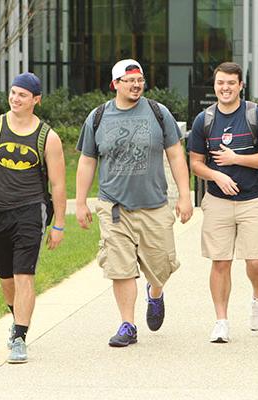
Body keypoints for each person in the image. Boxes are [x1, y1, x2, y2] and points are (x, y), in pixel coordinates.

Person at [74, 59, 193, 348]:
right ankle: (128, 324)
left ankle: (155, 292)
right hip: (114, 207)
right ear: (115, 84)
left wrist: (185, 195)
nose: (136, 85)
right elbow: (88, 160)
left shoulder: (157, 112)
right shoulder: (99, 117)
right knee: (120, 267)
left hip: (153, 204)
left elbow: (176, 154)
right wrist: (80, 202)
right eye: (129, 80)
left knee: (161, 265)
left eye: (140, 80)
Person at [0, 72, 67, 364]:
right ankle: (18, 319)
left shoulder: (48, 137)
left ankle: (20, 336)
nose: (15, 99)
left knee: (23, 275)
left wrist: (58, 223)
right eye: (13, 93)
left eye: (22, 95)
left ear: (36, 100)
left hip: (31, 212)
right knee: (6, 278)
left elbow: (58, 184)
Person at [188, 62, 258, 343]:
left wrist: (236, 159)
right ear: (214, 86)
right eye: (220, 83)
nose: (225, 88)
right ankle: (221, 321)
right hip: (217, 201)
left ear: (241, 85)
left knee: (255, 262)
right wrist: (217, 175)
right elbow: (195, 163)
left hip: (253, 198)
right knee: (220, 262)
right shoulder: (204, 120)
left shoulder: (257, 115)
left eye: (230, 83)